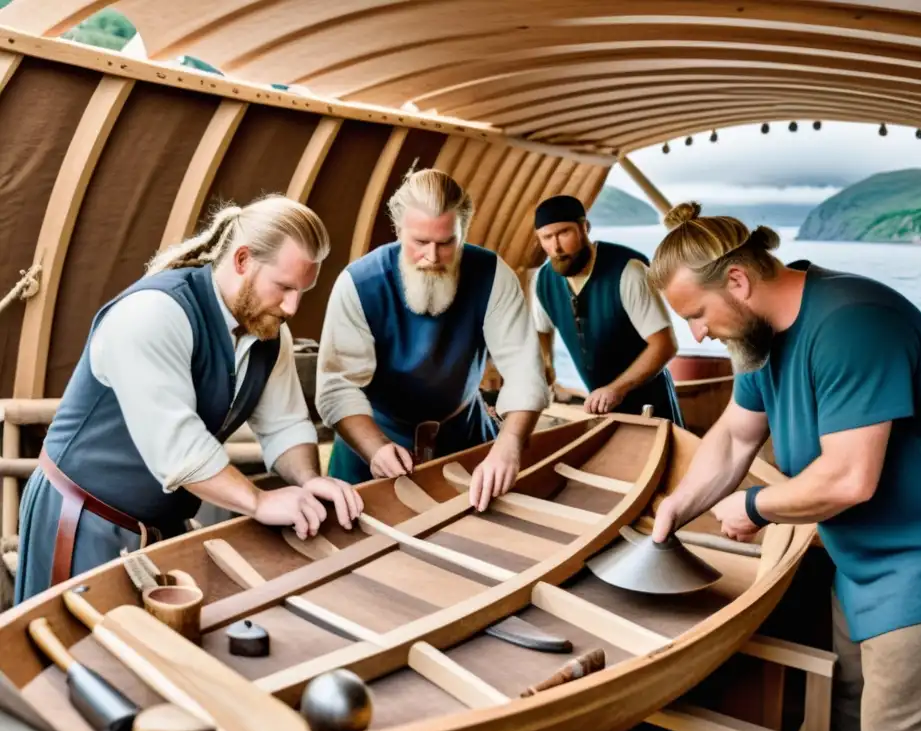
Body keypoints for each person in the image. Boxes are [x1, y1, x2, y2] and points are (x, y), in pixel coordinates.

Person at [645, 201, 921, 731]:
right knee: (852, 725)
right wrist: (677, 507)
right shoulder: (760, 339)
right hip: (862, 559)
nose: (697, 333)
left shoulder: (853, 323)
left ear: (738, 281)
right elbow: (733, 439)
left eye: (697, 314)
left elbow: (848, 478)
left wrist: (754, 506)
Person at [14, 195, 364, 606]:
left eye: (303, 290)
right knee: (73, 660)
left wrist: (309, 479)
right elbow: (178, 449)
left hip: (160, 528)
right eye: (284, 287)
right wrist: (258, 500)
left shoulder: (270, 334)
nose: (292, 307)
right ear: (242, 260)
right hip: (81, 522)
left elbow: (285, 425)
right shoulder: (153, 313)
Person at [316, 169, 549, 511]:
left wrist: (510, 443)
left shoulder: (492, 275)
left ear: (463, 231)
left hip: (465, 438)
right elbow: (337, 386)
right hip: (371, 442)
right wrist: (375, 449)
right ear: (398, 230)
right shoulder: (358, 283)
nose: (433, 257)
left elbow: (524, 369)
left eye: (446, 243)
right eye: (420, 242)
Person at [529, 194, 683, 425]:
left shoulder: (629, 271)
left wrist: (616, 389)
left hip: (652, 406)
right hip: (600, 407)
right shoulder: (542, 281)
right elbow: (541, 330)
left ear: (585, 227)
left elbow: (664, 345)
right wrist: (547, 366)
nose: (556, 246)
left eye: (564, 233)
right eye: (547, 237)